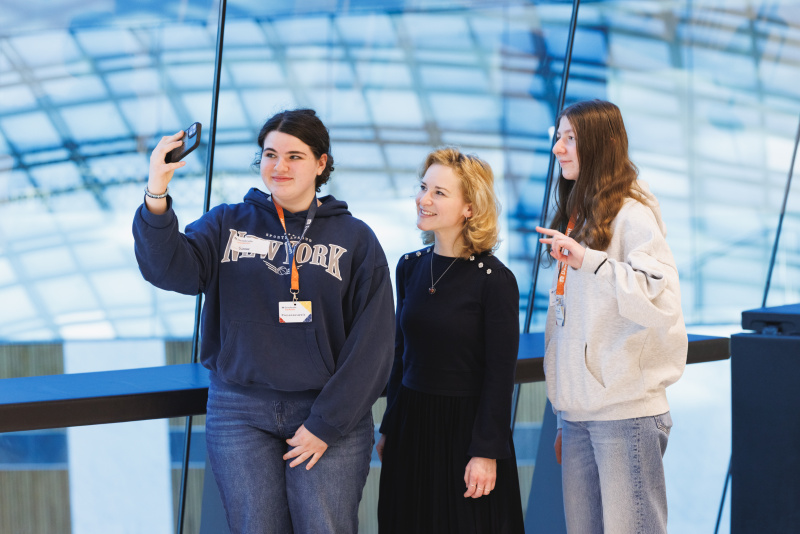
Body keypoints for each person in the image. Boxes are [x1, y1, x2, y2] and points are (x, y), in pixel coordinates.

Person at [132, 109, 394, 533]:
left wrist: (326, 423)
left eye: (295, 156)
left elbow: (375, 344)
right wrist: (157, 192)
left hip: (325, 412)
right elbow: (169, 270)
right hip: (239, 411)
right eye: (270, 154)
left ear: (321, 164)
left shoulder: (355, 238)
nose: (280, 166)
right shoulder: (226, 223)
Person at [536, 99, 687, 533]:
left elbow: (660, 300)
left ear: (600, 145)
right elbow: (567, 319)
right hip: (581, 415)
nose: (558, 149)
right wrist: (568, 407)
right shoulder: (578, 219)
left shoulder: (634, 215)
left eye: (570, 138)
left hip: (626, 414)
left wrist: (592, 262)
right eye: (558, 137)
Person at [377, 147, 525, 533]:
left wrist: (486, 451)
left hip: (466, 430)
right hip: (411, 424)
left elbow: (499, 374)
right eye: (424, 188)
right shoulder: (409, 267)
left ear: (470, 208)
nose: (423, 200)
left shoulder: (495, 280)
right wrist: (389, 427)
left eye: (439, 193)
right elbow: (400, 356)